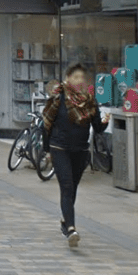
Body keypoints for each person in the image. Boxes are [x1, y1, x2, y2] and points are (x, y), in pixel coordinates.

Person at [41, 62, 108, 249]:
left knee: (72, 189)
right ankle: (71, 229)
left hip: (80, 151)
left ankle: (65, 220)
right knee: (67, 185)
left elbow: (97, 128)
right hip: (59, 148)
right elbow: (46, 126)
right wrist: (47, 150)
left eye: (82, 78)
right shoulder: (58, 99)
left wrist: (104, 121)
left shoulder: (89, 101)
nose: (80, 81)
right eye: (76, 77)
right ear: (68, 78)